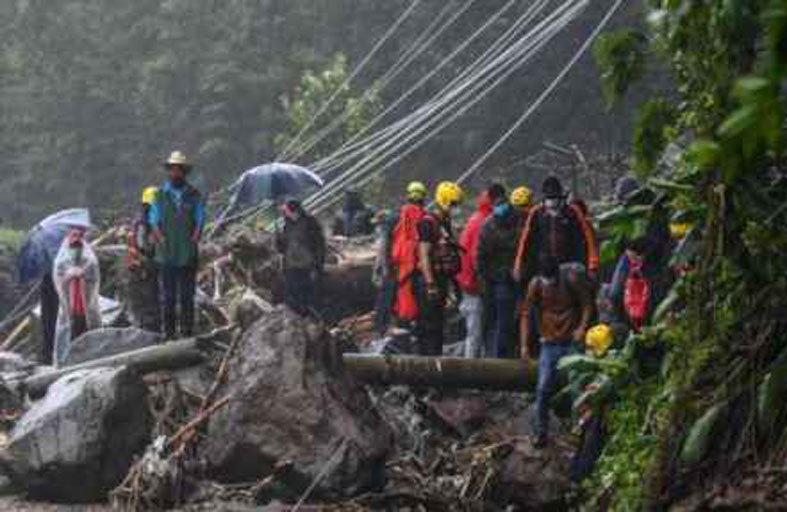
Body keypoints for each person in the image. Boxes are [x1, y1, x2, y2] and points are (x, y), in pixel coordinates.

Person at [521, 256, 594, 448]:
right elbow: (526, 314)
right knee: (543, 387)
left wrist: (582, 328)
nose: (549, 284)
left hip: (570, 340)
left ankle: (579, 431)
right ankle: (540, 432)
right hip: (549, 342)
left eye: (552, 280)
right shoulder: (536, 285)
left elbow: (587, 305)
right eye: (546, 280)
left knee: (578, 385)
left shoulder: (571, 279)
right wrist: (524, 346)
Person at [149, 151, 205, 340]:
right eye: (172, 170)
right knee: (169, 296)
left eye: (178, 170)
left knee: (187, 296)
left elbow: (200, 219)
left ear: (184, 172)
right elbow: (154, 220)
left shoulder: (193, 195)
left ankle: (187, 332)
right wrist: (160, 239)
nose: (175, 173)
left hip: (188, 252)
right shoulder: (159, 194)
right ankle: (170, 333)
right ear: (169, 172)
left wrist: (194, 240)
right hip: (166, 252)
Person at [513, 176, 599, 284]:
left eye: (555, 197)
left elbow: (588, 238)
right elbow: (525, 241)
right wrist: (518, 266)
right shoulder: (536, 213)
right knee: (532, 292)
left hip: (571, 263)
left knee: (582, 291)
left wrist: (592, 264)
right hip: (544, 266)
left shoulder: (573, 211)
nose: (552, 202)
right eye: (549, 198)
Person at [412, 182, 464, 355]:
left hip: (440, 279)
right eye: (454, 204)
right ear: (444, 201)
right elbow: (423, 254)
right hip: (428, 281)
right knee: (428, 326)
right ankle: (425, 364)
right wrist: (430, 284)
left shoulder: (444, 223)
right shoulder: (428, 223)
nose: (456, 208)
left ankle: (435, 361)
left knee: (438, 324)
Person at [456, 184, 505, 358]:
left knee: (477, 331)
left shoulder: (477, 217)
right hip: (475, 285)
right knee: (476, 332)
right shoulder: (484, 222)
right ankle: (472, 374)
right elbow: (478, 258)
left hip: (468, 282)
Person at [476, 201, 520, 358]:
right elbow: (480, 258)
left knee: (508, 320)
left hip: (513, 277)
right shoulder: (488, 228)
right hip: (496, 279)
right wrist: (484, 282)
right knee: (498, 321)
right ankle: (497, 356)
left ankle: (504, 354)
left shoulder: (517, 223)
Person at [53, 229, 101, 366]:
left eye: (78, 246)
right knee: (67, 331)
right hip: (69, 306)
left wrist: (83, 274)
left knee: (88, 329)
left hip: (86, 305)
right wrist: (69, 276)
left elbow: (95, 279)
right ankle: (63, 362)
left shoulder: (89, 261)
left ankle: (92, 360)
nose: (76, 249)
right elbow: (58, 281)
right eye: (73, 246)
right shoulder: (61, 262)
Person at [276, 199, 326, 315]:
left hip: (307, 265)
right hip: (291, 265)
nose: (285, 213)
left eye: (287, 210)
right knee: (293, 295)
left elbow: (319, 245)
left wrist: (318, 266)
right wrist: (278, 240)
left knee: (309, 296)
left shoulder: (310, 223)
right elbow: (282, 248)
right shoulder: (286, 225)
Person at [125, 186, 161, 332]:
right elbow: (144, 248)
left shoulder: (152, 221)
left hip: (147, 267)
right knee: (147, 306)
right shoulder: (142, 224)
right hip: (142, 270)